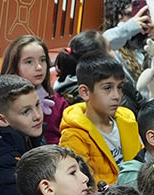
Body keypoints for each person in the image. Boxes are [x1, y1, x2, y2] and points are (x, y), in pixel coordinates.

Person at [60, 56, 142, 187]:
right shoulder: (73, 137)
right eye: (107, 88)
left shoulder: (127, 120)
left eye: (119, 87)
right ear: (85, 92)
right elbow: (86, 187)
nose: (117, 96)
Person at [2, 35, 68, 147]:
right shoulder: (2, 103)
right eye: (29, 62)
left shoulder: (58, 102)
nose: (39, 67)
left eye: (42, 60)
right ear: (14, 65)